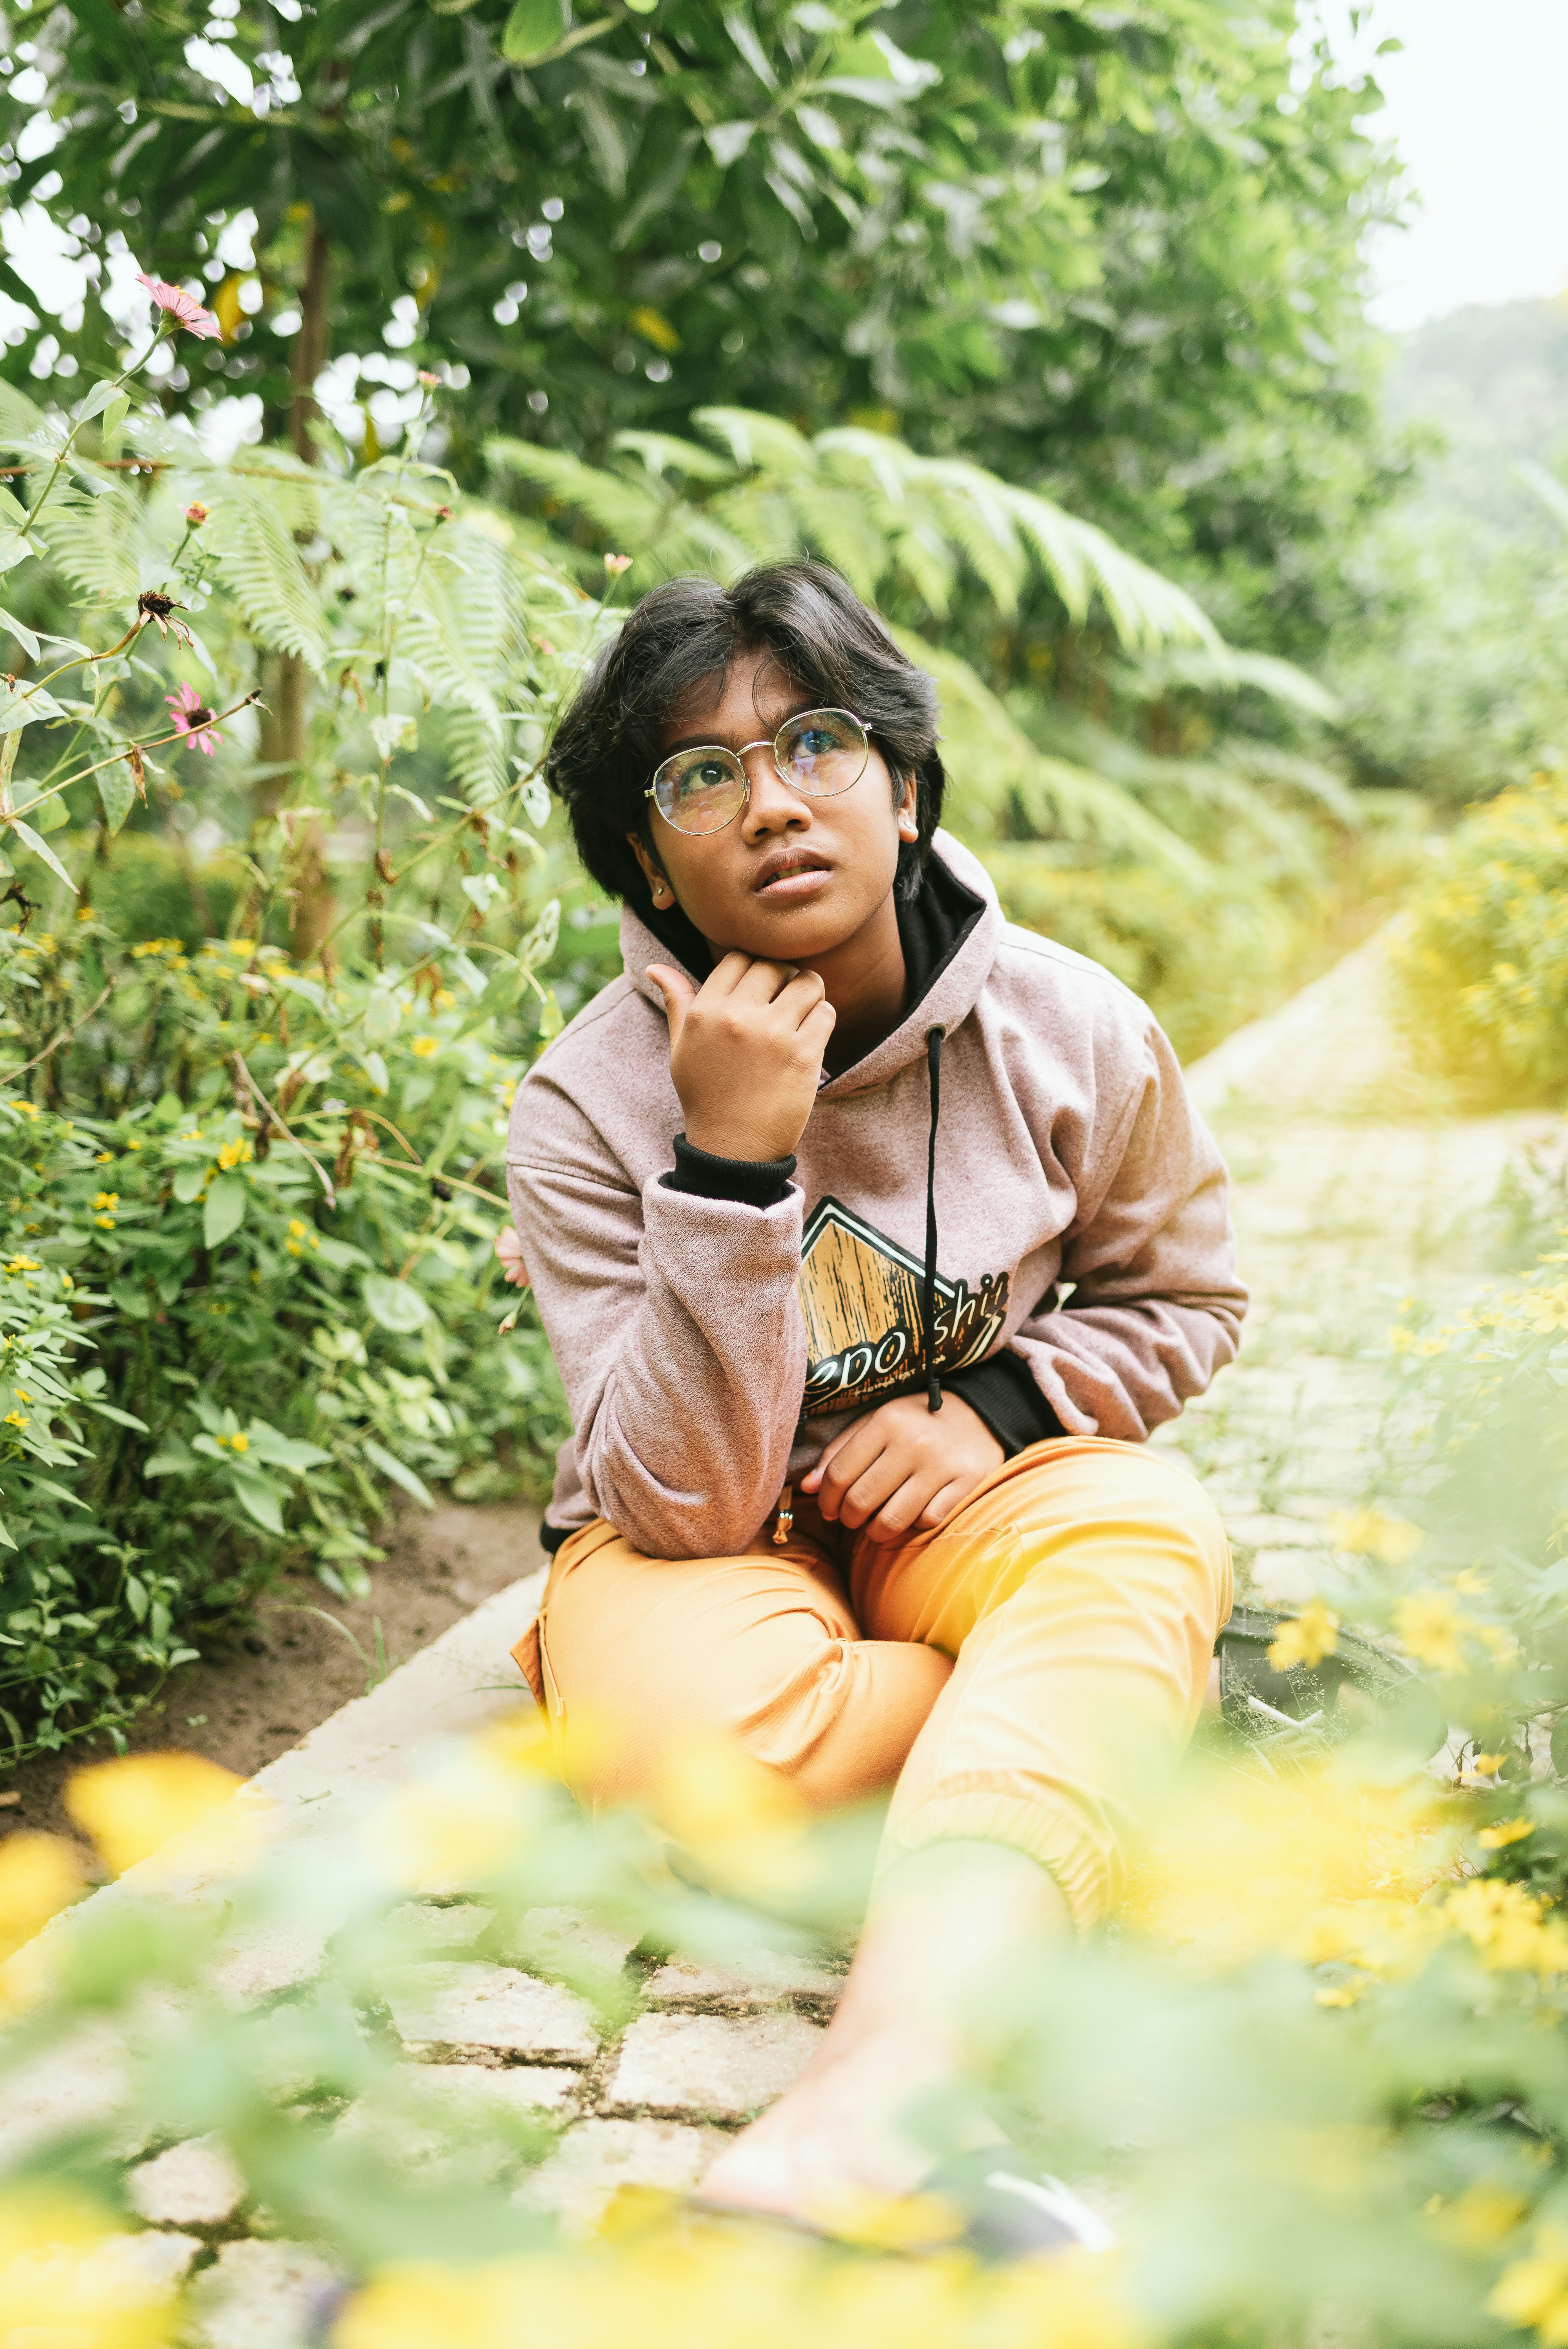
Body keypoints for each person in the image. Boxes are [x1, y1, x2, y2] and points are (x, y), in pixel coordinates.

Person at [505, 559, 1244, 2247]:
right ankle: (1073, 1714)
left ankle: (875, 2103)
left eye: (814, 744)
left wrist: (995, 1400)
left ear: (900, 790)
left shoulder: (1070, 1031)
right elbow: (676, 1502)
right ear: (643, 856)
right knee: (690, 1761)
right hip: (701, 1549)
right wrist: (725, 1164)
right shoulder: (580, 1103)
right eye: (697, 775)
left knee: (1139, 1526)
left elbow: (1183, 1295)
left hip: (965, 1512)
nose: (767, 803)